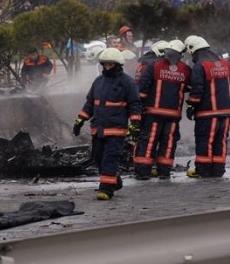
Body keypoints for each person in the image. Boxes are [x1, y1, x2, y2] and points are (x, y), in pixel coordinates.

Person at [72, 48, 141, 200]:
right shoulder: (98, 82)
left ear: (118, 65)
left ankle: (106, 189)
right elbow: (90, 103)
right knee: (98, 157)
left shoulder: (127, 82)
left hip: (116, 130)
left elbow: (135, 104)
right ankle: (114, 179)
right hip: (98, 129)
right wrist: (80, 120)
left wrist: (135, 124)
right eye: (105, 64)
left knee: (110, 158)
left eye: (111, 65)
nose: (108, 67)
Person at [134, 40, 190, 180]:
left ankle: (143, 172)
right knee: (169, 143)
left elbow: (143, 89)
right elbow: (191, 87)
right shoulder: (185, 69)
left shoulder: (154, 65)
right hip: (173, 115)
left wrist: (139, 110)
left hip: (153, 113)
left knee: (149, 141)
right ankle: (164, 172)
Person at [184, 35, 230, 178]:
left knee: (205, 140)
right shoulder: (225, 63)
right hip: (226, 112)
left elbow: (197, 89)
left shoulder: (200, 66)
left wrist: (191, 105)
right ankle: (218, 170)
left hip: (207, 112)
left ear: (192, 49)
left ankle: (203, 170)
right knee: (220, 141)